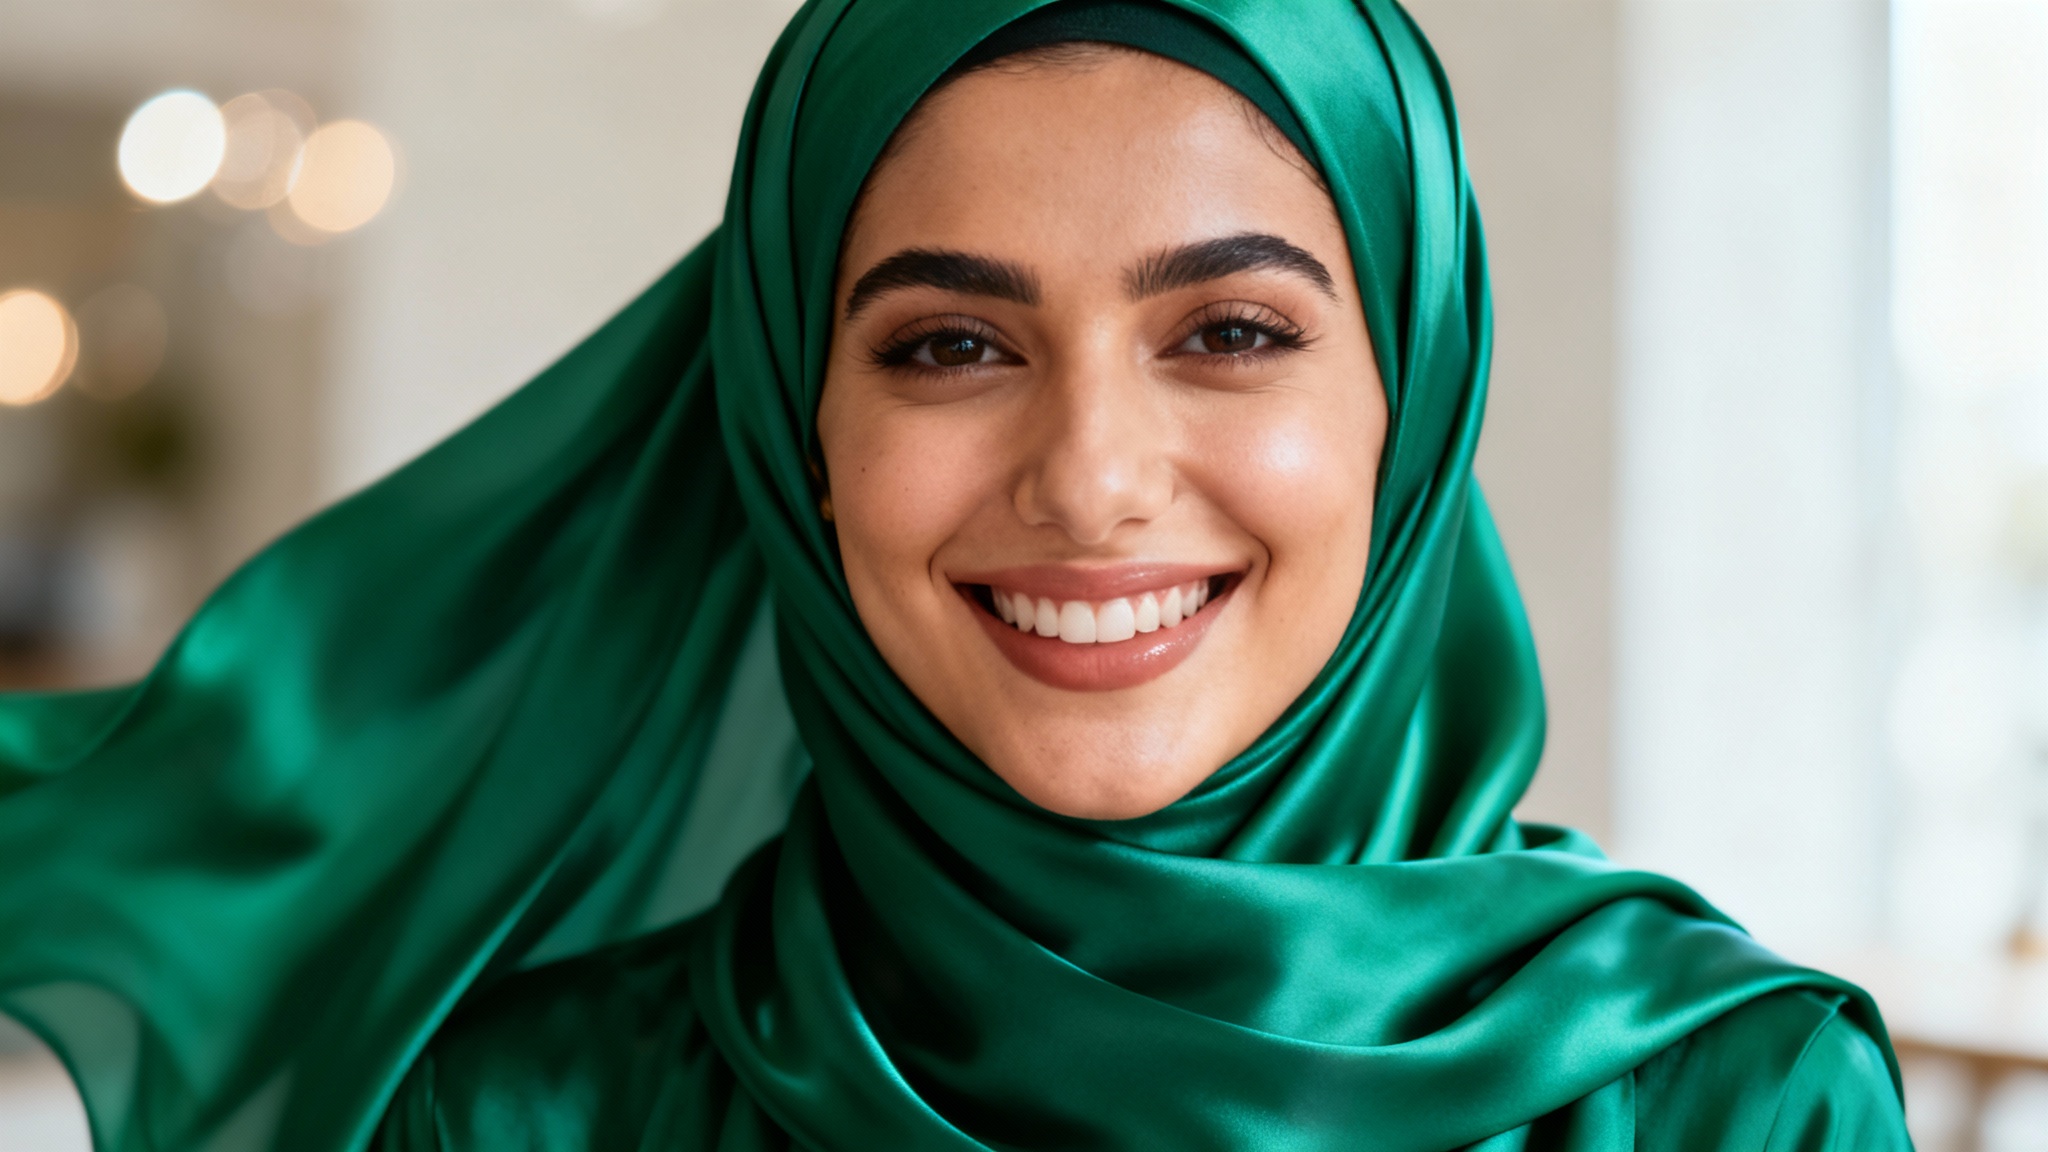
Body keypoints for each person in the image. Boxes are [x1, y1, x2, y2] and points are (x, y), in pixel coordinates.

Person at [0, 1, 1910, 1149]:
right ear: (793, 428)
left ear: (1412, 407)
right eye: (949, 346)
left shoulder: (1727, 1101)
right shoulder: (528, 1115)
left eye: (1232, 330)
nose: (1089, 480)